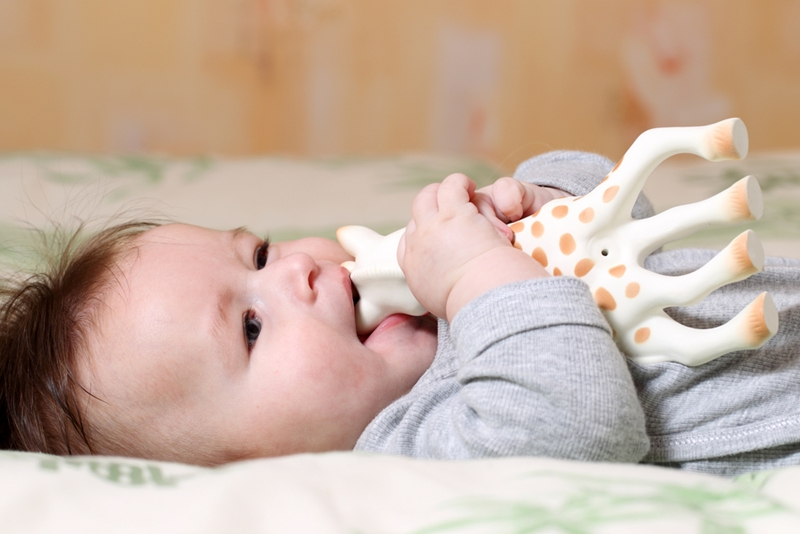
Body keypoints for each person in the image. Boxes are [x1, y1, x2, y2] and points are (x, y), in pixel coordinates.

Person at [1, 151, 798, 476]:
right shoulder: (411, 445)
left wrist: (537, 204)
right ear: (260, 469)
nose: (298, 273)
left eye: (259, 253)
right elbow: (575, 424)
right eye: (249, 328)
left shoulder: (442, 293)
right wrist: (485, 272)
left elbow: (617, 210)